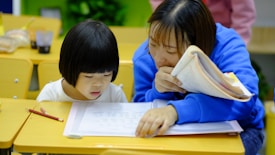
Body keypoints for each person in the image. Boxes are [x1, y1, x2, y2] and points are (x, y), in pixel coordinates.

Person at [133, 0, 264, 155]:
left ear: (198, 44)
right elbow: (140, 109)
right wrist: (158, 91)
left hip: (239, 130)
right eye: (153, 44)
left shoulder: (227, 45)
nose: (159, 59)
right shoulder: (143, 57)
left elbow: (244, 100)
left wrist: (175, 111)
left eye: (170, 50)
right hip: (173, 134)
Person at [36, 19, 127, 103]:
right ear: (69, 68)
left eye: (107, 75)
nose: (98, 84)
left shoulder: (115, 96)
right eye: (89, 76)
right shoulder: (51, 95)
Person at [149, 0, 256, 45]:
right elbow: (162, 9)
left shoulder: (226, 43)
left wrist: (235, 45)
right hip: (177, 34)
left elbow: (244, 14)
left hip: (221, 38)